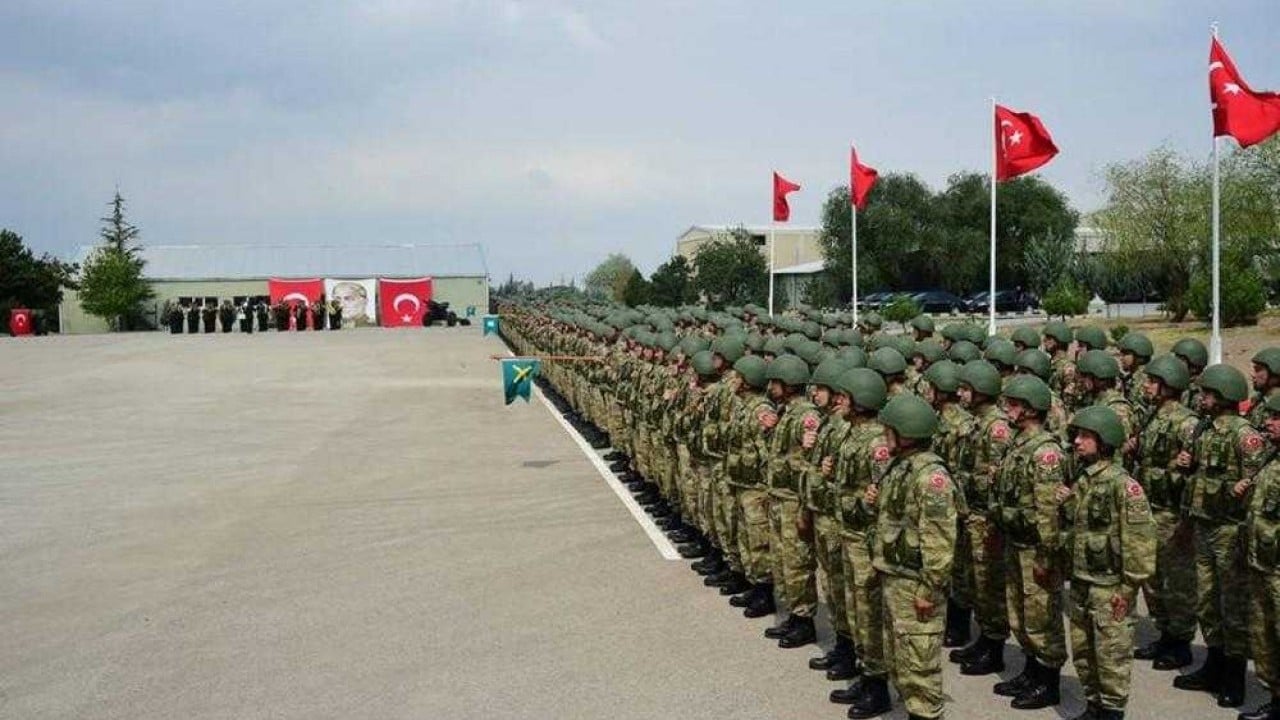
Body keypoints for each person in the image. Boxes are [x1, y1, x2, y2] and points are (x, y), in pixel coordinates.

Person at [1173, 364, 1268, 708]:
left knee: (1232, 605)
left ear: (1223, 396)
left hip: (1230, 530)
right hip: (1204, 525)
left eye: (1207, 393)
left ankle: (1234, 675)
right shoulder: (1204, 429)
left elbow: (1258, 483)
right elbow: (1197, 475)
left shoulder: (1245, 436)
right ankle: (1213, 664)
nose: (1201, 398)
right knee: (1207, 601)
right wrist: (1185, 463)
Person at [1059, 406, 1156, 720]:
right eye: (1077, 435)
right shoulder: (1084, 479)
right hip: (1082, 579)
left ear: (1104, 441)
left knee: (1111, 655)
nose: (1077, 442)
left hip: (1109, 586)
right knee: (1084, 651)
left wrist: (1128, 588)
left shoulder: (1123, 486)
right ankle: (1093, 707)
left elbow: (1140, 541)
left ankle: (1111, 711)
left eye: (1086, 436)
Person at [865, 394, 958, 720]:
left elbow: (940, 541)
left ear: (905, 433)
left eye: (889, 430)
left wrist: (929, 590)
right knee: (901, 662)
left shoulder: (931, 478)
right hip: (896, 576)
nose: (884, 436)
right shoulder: (901, 467)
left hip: (915, 583)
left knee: (920, 667)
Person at [994, 375, 1068, 710]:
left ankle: (1048, 681)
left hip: (1035, 548)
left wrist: (1046, 556)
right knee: (1020, 614)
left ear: (1031, 409)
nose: (1007, 409)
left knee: (1041, 616)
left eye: (1014, 404)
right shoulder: (1019, 443)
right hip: (1016, 541)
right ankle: (1030, 671)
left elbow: (1048, 511)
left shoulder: (1045, 452)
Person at [1131, 354, 1199, 671]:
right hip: (1151, 509)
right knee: (1153, 578)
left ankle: (1180, 642)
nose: (1146, 386)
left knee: (1177, 581)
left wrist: (1187, 520)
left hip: (1173, 513)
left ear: (1168, 386)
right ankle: (1165, 634)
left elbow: (1195, 472)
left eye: (1152, 381)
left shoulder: (1186, 423)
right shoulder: (1152, 416)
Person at [950, 360, 1014, 676]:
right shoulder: (976, 423)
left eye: (966, 389)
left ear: (981, 391)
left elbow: (999, 480)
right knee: (975, 582)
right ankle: (984, 639)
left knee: (990, 584)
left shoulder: (996, 428)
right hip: (971, 514)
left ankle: (994, 646)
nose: (960, 394)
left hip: (986, 518)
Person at [762, 355, 822, 648]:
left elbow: (811, 463)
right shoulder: (786, 412)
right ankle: (792, 614)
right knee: (782, 560)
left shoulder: (806, 416)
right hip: (780, 497)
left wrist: (804, 509)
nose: (771, 387)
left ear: (788, 383)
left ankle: (804, 620)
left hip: (794, 501)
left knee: (797, 562)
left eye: (776, 382)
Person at [1240, 393, 1280, 720]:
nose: (1269, 422)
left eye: (1277, 418)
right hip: (1262, 564)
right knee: (1264, 637)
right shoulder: (1271, 458)